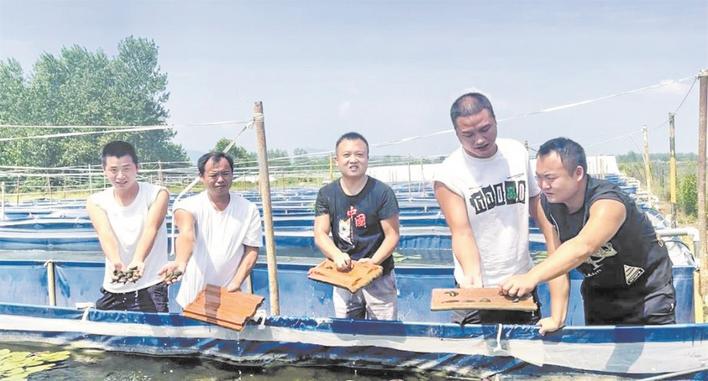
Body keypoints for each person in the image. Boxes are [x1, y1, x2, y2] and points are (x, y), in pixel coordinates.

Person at [501, 137, 676, 332]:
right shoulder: (548, 206)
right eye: (538, 178)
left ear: (577, 173)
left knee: (655, 358)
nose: (543, 185)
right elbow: (557, 261)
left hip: (647, 294)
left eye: (550, 178)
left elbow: (582, 247)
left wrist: (531, 277)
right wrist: (557, 318)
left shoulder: (609, 203)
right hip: (600, 295)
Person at [433, 92, 560, 326]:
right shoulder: (448, 174)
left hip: (520, 280)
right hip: (478, 286)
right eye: (468, 135)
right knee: (473, 358)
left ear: (495, 120)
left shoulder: (516, 154)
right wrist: (473, 281)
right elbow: (461, 231)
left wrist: (554, 244)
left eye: (485, 129)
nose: (479, 140)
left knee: (527, 355)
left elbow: (535, 202)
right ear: (456, 133)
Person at [314, 132, 400, 320]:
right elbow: (320, 233)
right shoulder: (327, 194)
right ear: (336, 160)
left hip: (379, 275)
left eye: (359, 155)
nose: (353, 160)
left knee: (384, 333)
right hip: (344, 273)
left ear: (368, 158)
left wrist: (372, 262)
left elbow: (392, 235)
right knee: (347, 331)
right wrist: (337, 255)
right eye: (346, 155)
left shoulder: (382, 193)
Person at [160, 152, 262, 308]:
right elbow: (187, 235)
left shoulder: (248, 209)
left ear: (232, 175)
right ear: (201, 177)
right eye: (214, 175)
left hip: (230, 296)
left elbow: (252, 250)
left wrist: (235, 283)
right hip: (193, 298)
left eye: (225, 174)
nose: (220, 180)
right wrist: (181, 263)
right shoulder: (187, 206)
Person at [86, 141, 170, 312]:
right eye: (113, 170)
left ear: (137, 168)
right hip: (116, 283)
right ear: (104, 171)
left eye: (126, 168)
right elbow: (104, 233)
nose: (120, 176)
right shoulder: (96, 201)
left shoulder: (157, 194)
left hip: (150, 284)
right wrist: (115, 259)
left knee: (155, 336)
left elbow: (151, 229)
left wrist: (138, 260)